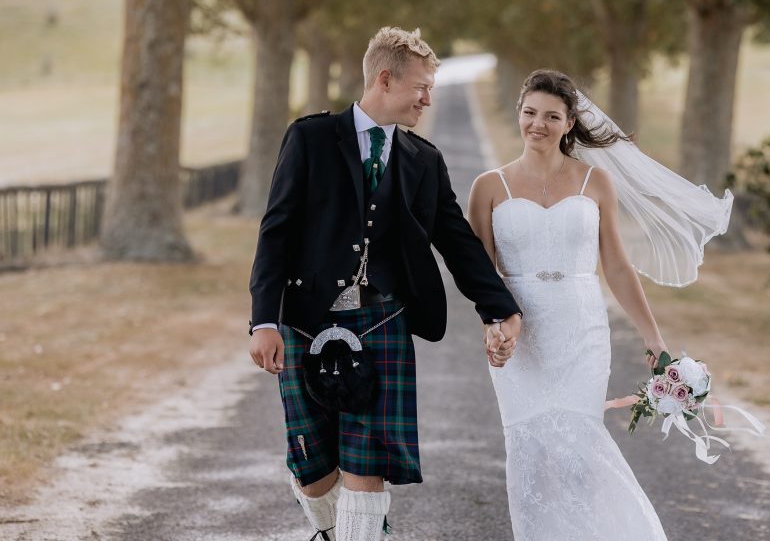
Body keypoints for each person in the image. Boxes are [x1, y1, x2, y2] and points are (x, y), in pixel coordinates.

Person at [248, 26, 522, 541]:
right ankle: (345, 531)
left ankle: (364, 531)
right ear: (385, 78)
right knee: (310, 466)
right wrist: (263, 319)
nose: (428, 97)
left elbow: (457, 241)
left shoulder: (424, 159)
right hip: (306, 318)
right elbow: (276, 231)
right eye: (421, 86)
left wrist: (498, 307)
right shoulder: (310, 139)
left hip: (383, 321)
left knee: (365, 465)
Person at [467, 69, 732, 540]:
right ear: (519, 115)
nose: (538, 124)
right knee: (531, 452)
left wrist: (653, 336)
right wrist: (493, 328)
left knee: (577, 450)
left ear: (569, 122)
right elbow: (480, 276)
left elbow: (618, 268)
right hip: (520, 334)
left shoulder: (596, 182)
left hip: (581, 330)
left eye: (552, 116)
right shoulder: (489, 186)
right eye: (530, 113)